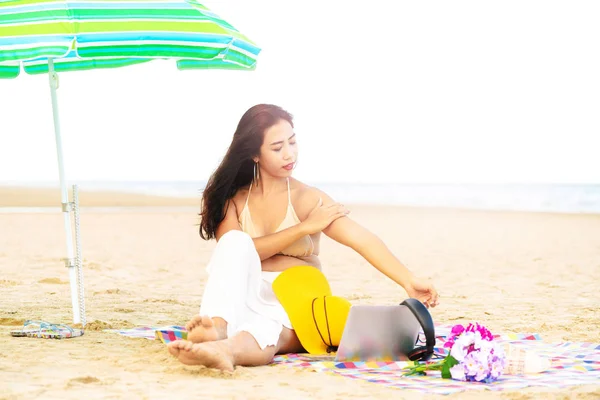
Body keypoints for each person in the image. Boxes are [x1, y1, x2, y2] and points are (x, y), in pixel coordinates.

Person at [167, 104, 440, 371]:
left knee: (266, 328)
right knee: (234, 243)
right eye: (277, 148)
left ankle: (225, 350)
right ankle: (218, 328)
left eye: (293, 142)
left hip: (297, 299)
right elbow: (242, 253)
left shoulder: (308, 198)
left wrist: (408, 279)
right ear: (255, 155)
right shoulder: (233, 199)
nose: (289, 154)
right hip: (244, 293)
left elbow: (362, 239)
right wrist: (303, 228)